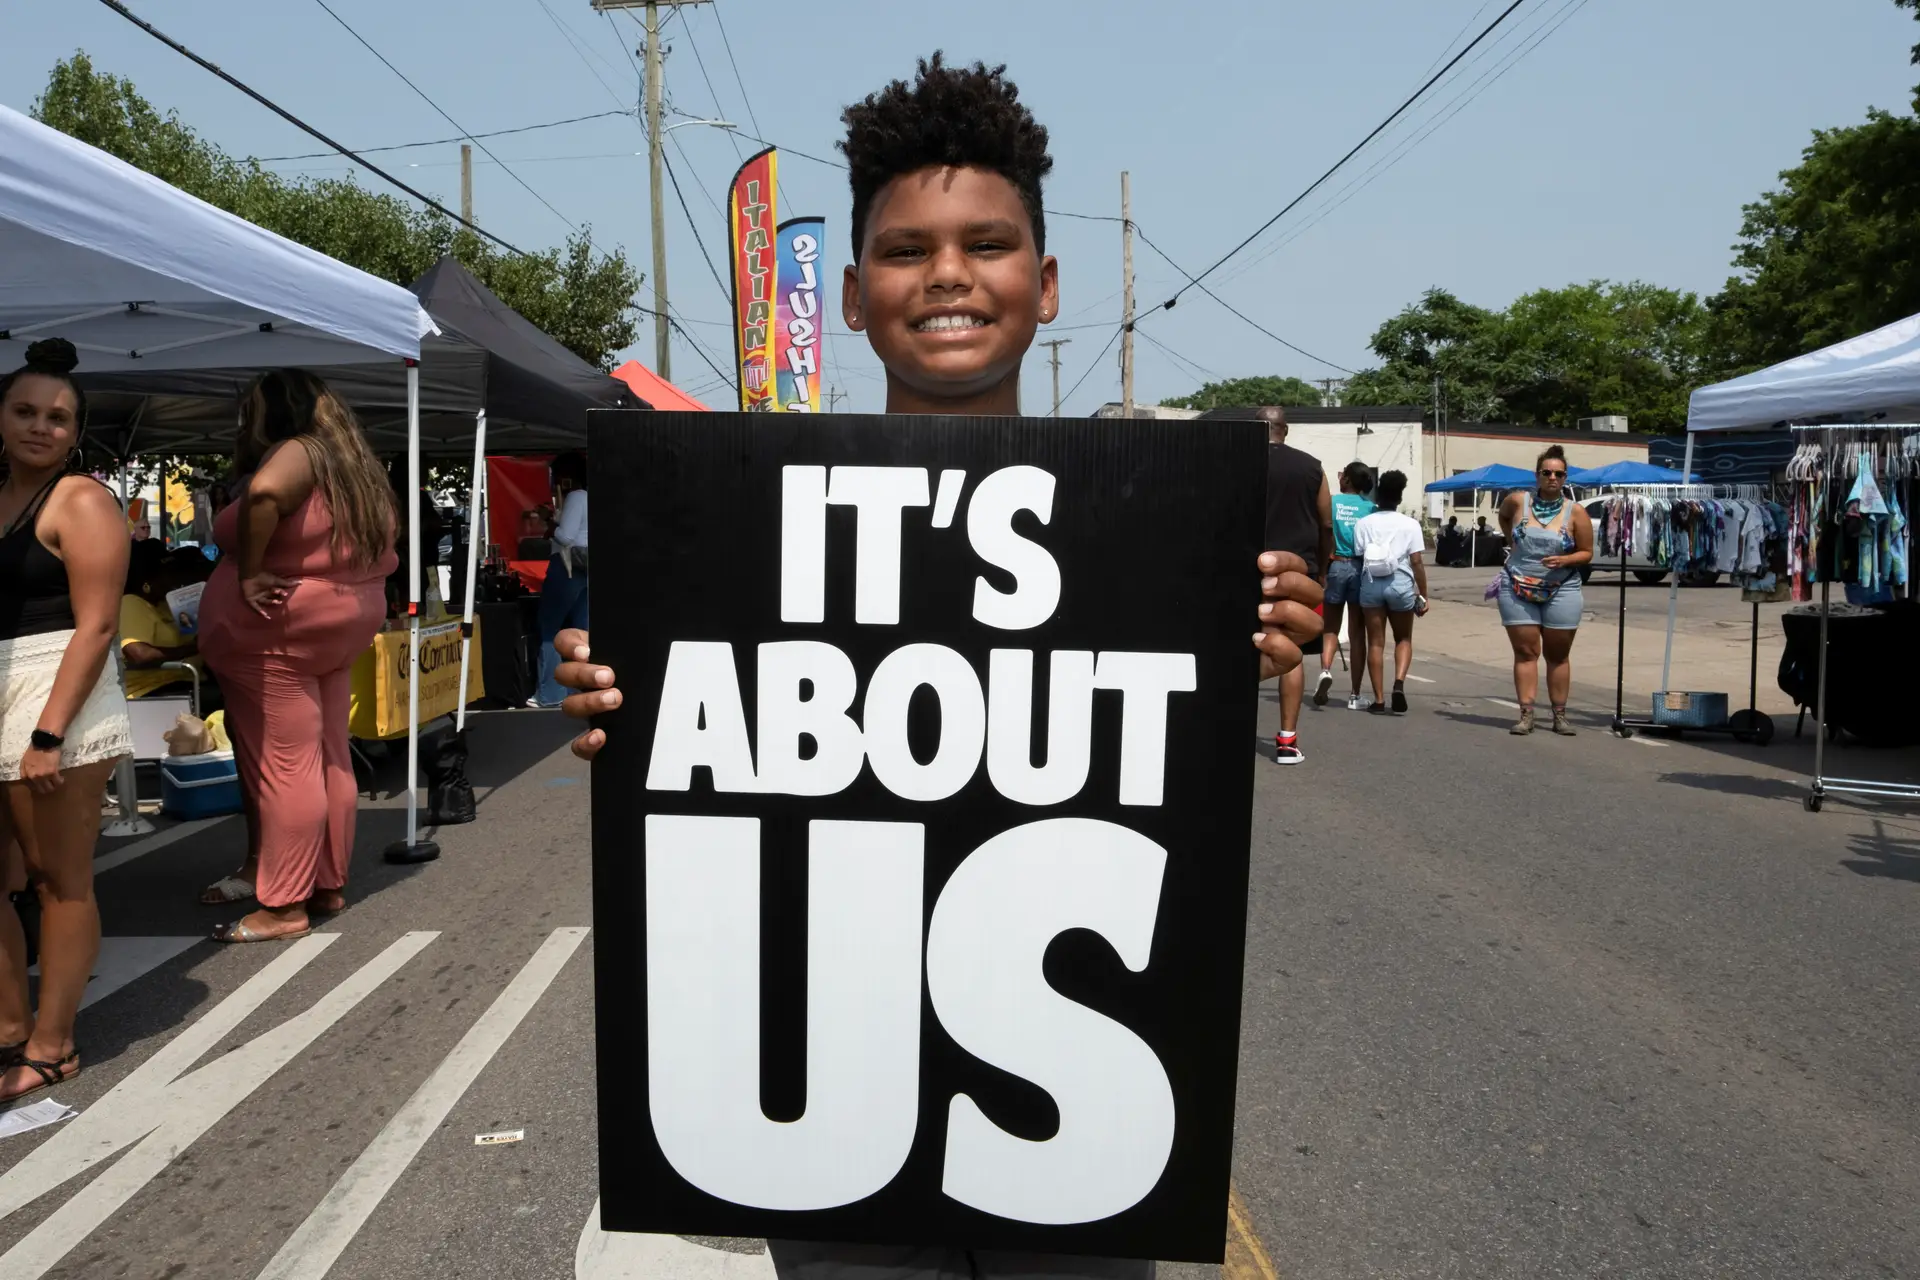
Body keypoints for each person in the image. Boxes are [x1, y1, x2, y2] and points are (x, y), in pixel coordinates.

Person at [551, 54, 1324, 1280]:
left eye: (987, 243)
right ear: (851, 295)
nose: (950, 275)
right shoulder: (737, 521)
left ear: (1047, 282)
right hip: (836, 1093)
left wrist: (1258, 631)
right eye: (907, 250)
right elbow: (688, 739)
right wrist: (617, 696)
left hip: (1068, 1124)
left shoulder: (1156, 522)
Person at [196, 369, 398, 942]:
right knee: (332, 753)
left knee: (288, 765)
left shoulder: (299, 451)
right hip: (337, 623)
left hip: (278, 632)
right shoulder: (352, 462)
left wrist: (253, 570)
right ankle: (327, 882)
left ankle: (283, 906)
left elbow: (262, 495)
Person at [0, 338, 133, 1105]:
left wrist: (49, 733)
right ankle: (11, 1022)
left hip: (59, 691)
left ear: (75, 432)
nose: (40, 427)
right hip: (5, 684)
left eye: (57, 417)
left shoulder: (80, 500)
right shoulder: (1, 496)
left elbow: (97, 625)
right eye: (24, 411)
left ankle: (53, 1046)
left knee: (58, 880)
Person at [1496, 444, 1593, 735]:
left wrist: (1565, 559)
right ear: (1537, 475)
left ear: (1565, 478)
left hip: (1562, 587)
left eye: (1559, 474)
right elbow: (1503, 518)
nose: (1552, 478)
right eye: (1546, 472)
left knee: (1557, 654)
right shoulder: (1517, 501)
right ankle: (1526, 715)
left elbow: (1587, 552)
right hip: (1517, 585)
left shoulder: (1576, 513)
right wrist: (1512, 544)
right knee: (1526, 651)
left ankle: (1559, 716)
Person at [1259, 408, 1331, 765]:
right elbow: (1326, 522)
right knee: (1291, 651)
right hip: (1300, 573)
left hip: (1247, 569)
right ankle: (1287, 740)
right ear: (1284, 430)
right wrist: (1322, 571)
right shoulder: (1312, 467)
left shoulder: (1238, 462)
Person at [1351, 470, 1430, 716]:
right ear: (1399, 498)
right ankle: (1398, 683)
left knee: (1375, 642)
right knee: (1403, 639)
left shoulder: (1363, 524)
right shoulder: (1410, 524)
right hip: (1401, 584)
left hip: (1372, 583)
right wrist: (1423, 593)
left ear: (1379, 496)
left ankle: (1378, 700)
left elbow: (1359, 554)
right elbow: (1416, 561)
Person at [120, 543, 217, 707]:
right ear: (147, 582)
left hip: (190, 681)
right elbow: (139, 654)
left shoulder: (168, 605)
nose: (173, 576)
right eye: (167, 571)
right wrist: (196, 647)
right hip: (153, 689)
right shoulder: (130, 604)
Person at [1316, 461, 1375, 712]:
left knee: (1330, 627)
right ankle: (1355, 694)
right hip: (1360, 568)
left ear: (1348, 480)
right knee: (1357, 632)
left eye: (1342, 475)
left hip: (1335, 566)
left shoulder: (1331, 502)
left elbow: (1322, 531)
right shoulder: (1371, 508)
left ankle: (1325, 670)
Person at [532, 451, 589, 708]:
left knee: (550, 629)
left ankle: (550, 694)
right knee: (582, 630)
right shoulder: (590, 496)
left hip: (566, 568)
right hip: (586, 569)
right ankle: (582, 686)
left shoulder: (576, 497)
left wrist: (550, 525)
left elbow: (566, 538)